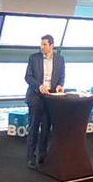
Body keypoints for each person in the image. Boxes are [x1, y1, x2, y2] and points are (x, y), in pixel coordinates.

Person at [23, 33, 64, 168]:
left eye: (44, 44)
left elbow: (61, 76)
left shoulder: (60, 59)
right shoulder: (33, 58)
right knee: (33, 128)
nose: (41, 47)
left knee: (46, 129)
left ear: (52, 45)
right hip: (35, 97)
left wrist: (60, 85)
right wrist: (39, 86)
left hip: (50, 99)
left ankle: (42, 156)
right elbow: (28, 77)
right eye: (41, 44)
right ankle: (31, 157)